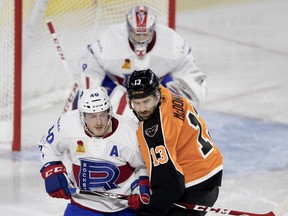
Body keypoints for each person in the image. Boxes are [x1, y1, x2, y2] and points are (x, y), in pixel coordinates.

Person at [75, 4, 207, 117]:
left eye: (145, 34)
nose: (141, 39)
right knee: (83, 101)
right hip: (116, 86)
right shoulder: (110, 40)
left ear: (153, 29)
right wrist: (93, 97)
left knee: (189, 98)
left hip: (158, 89)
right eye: (137, 34)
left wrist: (185, 92)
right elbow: (89, 71)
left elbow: (191, 71)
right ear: (129, 29)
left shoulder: (172, 42)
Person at [38, 87, 150, 216]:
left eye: (103, 114)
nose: (99, 122)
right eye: (92, 116)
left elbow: (145, 164)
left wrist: (141, 187)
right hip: (82, 205)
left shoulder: (130, 132)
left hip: (122, 208)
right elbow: (47, 145)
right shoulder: (67, 124)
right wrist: (52, 171)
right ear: (82, 116)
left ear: (110, 111)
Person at [126, 69, 223, 216]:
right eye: (137, 103)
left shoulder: (155, 131)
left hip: (194, 185)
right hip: (207, 168)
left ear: (156, 95)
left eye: (146, 101)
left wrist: (148, 211)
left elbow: (171, 186)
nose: (142, 109)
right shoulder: (168, 95)